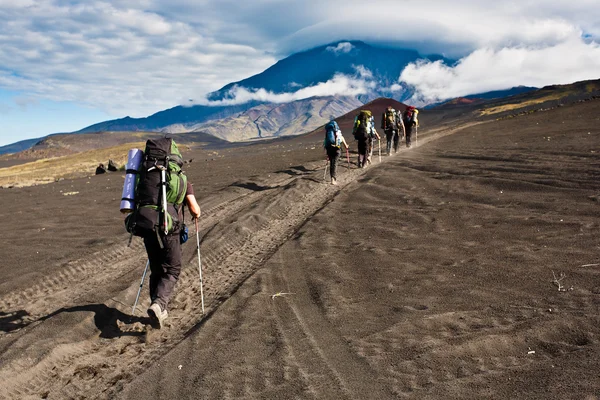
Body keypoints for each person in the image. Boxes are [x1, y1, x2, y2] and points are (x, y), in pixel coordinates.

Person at [144, 181, 200, 328]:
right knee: (173, 269)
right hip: (170, 231)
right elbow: (194, 209)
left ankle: (157, 309)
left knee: (156, 270)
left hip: (148, 227)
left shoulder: (148, 179)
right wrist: (196, 213)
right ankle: (159, 305)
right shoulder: (182, 181)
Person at [323, 120, 349, 185]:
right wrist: (346, 145)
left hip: (329, 149)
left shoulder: (328, 133)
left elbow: (325, 142)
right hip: (336, 149)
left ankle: (332, 177)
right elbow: (341, 138)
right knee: (335, 163)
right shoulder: (337, 131)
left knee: (332, 163)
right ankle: (333, 179)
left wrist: (326, 150)